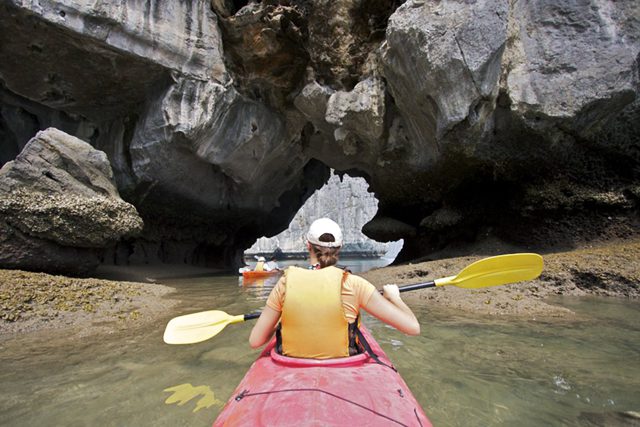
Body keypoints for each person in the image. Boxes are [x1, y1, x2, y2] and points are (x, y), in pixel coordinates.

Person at [249, 218, 420, 359]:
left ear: (308, 245)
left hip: (292, 363)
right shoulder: (354, 284)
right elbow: (413, 328)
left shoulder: (285, 283)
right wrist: (395, 298)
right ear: (341, 246)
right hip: (343, 365)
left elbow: (255, 341)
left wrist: (281, 319)